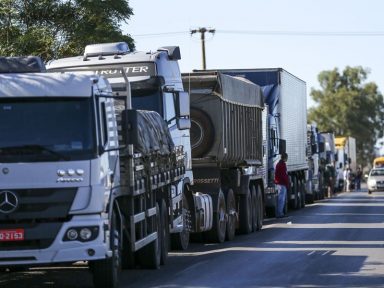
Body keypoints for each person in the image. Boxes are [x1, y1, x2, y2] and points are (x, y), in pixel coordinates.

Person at [275, 152, 289, 218]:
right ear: (285, 158)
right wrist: (287, 183)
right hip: (282, 184)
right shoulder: (283, 165)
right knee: (282, 199)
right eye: (287, 158)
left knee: (279, 199)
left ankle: (279, 212)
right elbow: (284, 175)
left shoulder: (278, 164)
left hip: (278, 183)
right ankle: (280, 213)